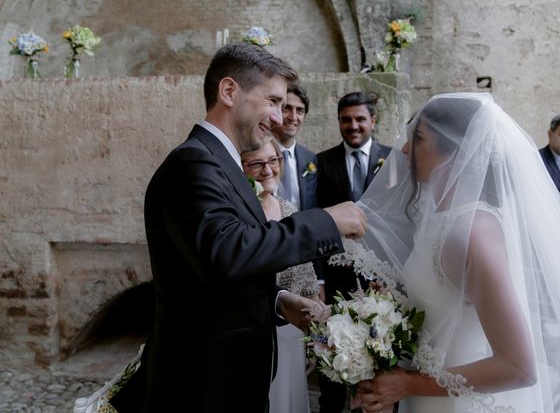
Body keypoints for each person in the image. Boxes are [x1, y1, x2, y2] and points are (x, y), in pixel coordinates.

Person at [333, 93, 560, 412]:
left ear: (454, 150)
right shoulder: (434, 215)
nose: (406, 149)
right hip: (429, 391)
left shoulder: (472, 232)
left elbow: (519, 367)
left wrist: (409, 383)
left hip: (466, 399)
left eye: (419, 138)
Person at [108, 43, 366, 413]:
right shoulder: (192, 163)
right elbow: (228, 252)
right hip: (201, 385)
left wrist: (279, 302)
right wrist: (327, 221)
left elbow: (212, 281)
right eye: (273, 101)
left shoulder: (218, 162)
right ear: (229, 91)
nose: (279, 118)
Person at [315, 91, 391, 413]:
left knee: (379, 354)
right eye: (346, 119)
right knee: (334, 354)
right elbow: (316, 221)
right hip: (337, 277)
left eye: (360, 119)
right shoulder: (321, 162)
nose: (353, 126)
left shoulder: (392, 159)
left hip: (382, 280)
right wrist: (319, 278)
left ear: (373, 121)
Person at [241, 140, 320, 413]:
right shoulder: (237, 216)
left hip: (291, 334)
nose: (267, 170)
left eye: (273, 161)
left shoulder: (289, 210)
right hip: (253, 334)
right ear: (241, 169)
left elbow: (307, 274)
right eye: (257, 164)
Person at [271, 83, 318, 211]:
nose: (293, 117)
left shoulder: (310, 158)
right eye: (286, 108)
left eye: (300, 111)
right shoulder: (257, 154)